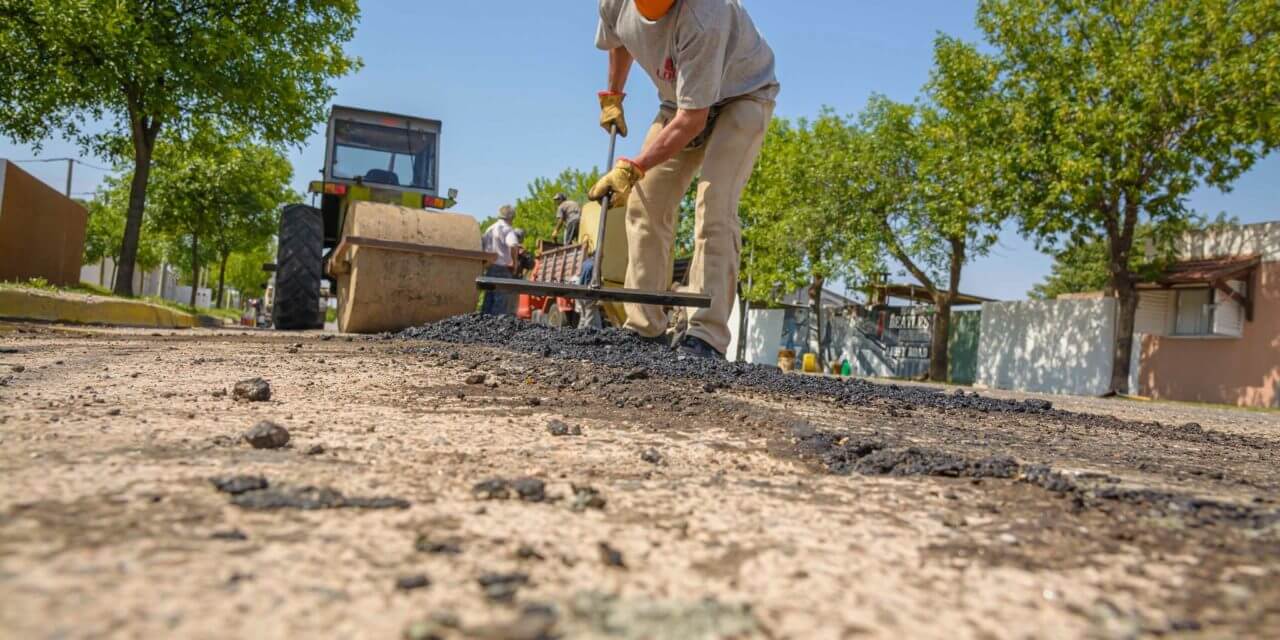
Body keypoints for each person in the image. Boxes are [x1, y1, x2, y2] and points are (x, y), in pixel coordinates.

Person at [588, 0, 778, 359]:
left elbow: (693, 120)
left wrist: (632, 167)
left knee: (714, 208)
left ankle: (706, 335)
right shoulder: (615, 2)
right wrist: (613, 96)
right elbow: (618, 38)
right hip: (678, 102)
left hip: (743, 96)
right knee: (646, 202)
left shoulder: (705, 17)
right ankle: (645, 327)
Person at [480, 205, 521, 315]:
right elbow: (513, 245)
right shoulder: (507, 229)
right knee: (501, 302)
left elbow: (482, 248)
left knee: (488, 299)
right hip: (502, 269)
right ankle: (496, 328)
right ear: (511, 217)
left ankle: (483, 325)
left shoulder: (489, 229)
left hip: (489, 269)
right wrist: (515, 263)